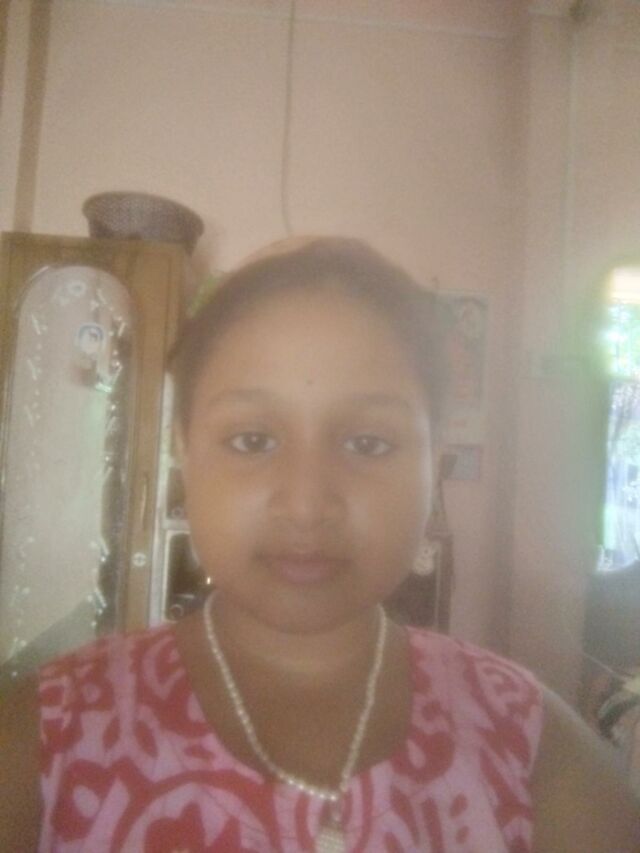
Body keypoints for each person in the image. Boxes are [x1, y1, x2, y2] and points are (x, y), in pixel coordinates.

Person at [0, 237, 638, 852]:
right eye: (252, 440)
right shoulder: (49, 737)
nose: (306, 504)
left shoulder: (530, 746)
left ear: (434, 461)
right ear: (183, 452)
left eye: (367, 443)